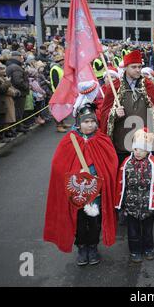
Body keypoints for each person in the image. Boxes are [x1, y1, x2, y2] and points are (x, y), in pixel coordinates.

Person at [44, 102, 119, 266]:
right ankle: (81, 247)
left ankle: (93, 247)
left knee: (94, 222)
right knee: (79, 222)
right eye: (86, 121)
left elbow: (111, 164)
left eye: (92, 121)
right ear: (78, 122)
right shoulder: (69, 141)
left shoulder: (102, 139)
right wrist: (75, 175)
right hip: (77, 193)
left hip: (96, 194)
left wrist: (100, 176)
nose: (90, 124)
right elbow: (58, 165)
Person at [116, 128, 154, 262]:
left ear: (148, 150)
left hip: (148, 207)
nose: (138, 152)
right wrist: (121, 204)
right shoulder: (126, 163)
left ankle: (149, 249)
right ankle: (135, 251)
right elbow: (121, 184)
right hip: (131, 206)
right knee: (132, 232)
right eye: (135, 149)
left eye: (142, 149)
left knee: (148, 231)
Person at [100, 49, 154, 166]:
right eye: (134, 67)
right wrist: (114, 113)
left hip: (144, 143)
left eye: (139, 67)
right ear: (125, 68)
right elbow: (104, 113)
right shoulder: (115, 87)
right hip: (122, 143)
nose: (138, 70)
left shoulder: (148, 86)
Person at [5, 51, 30, 134]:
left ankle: (19, 125)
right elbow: (18, 81)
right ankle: (18, 126)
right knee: (19, 110)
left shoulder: (12, 66)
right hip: (19, 92)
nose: (21, 58)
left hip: (16, 91)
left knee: (17, 110)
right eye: (20, 56)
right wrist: (26, 85)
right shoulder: (16, 67)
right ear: (16, 57)